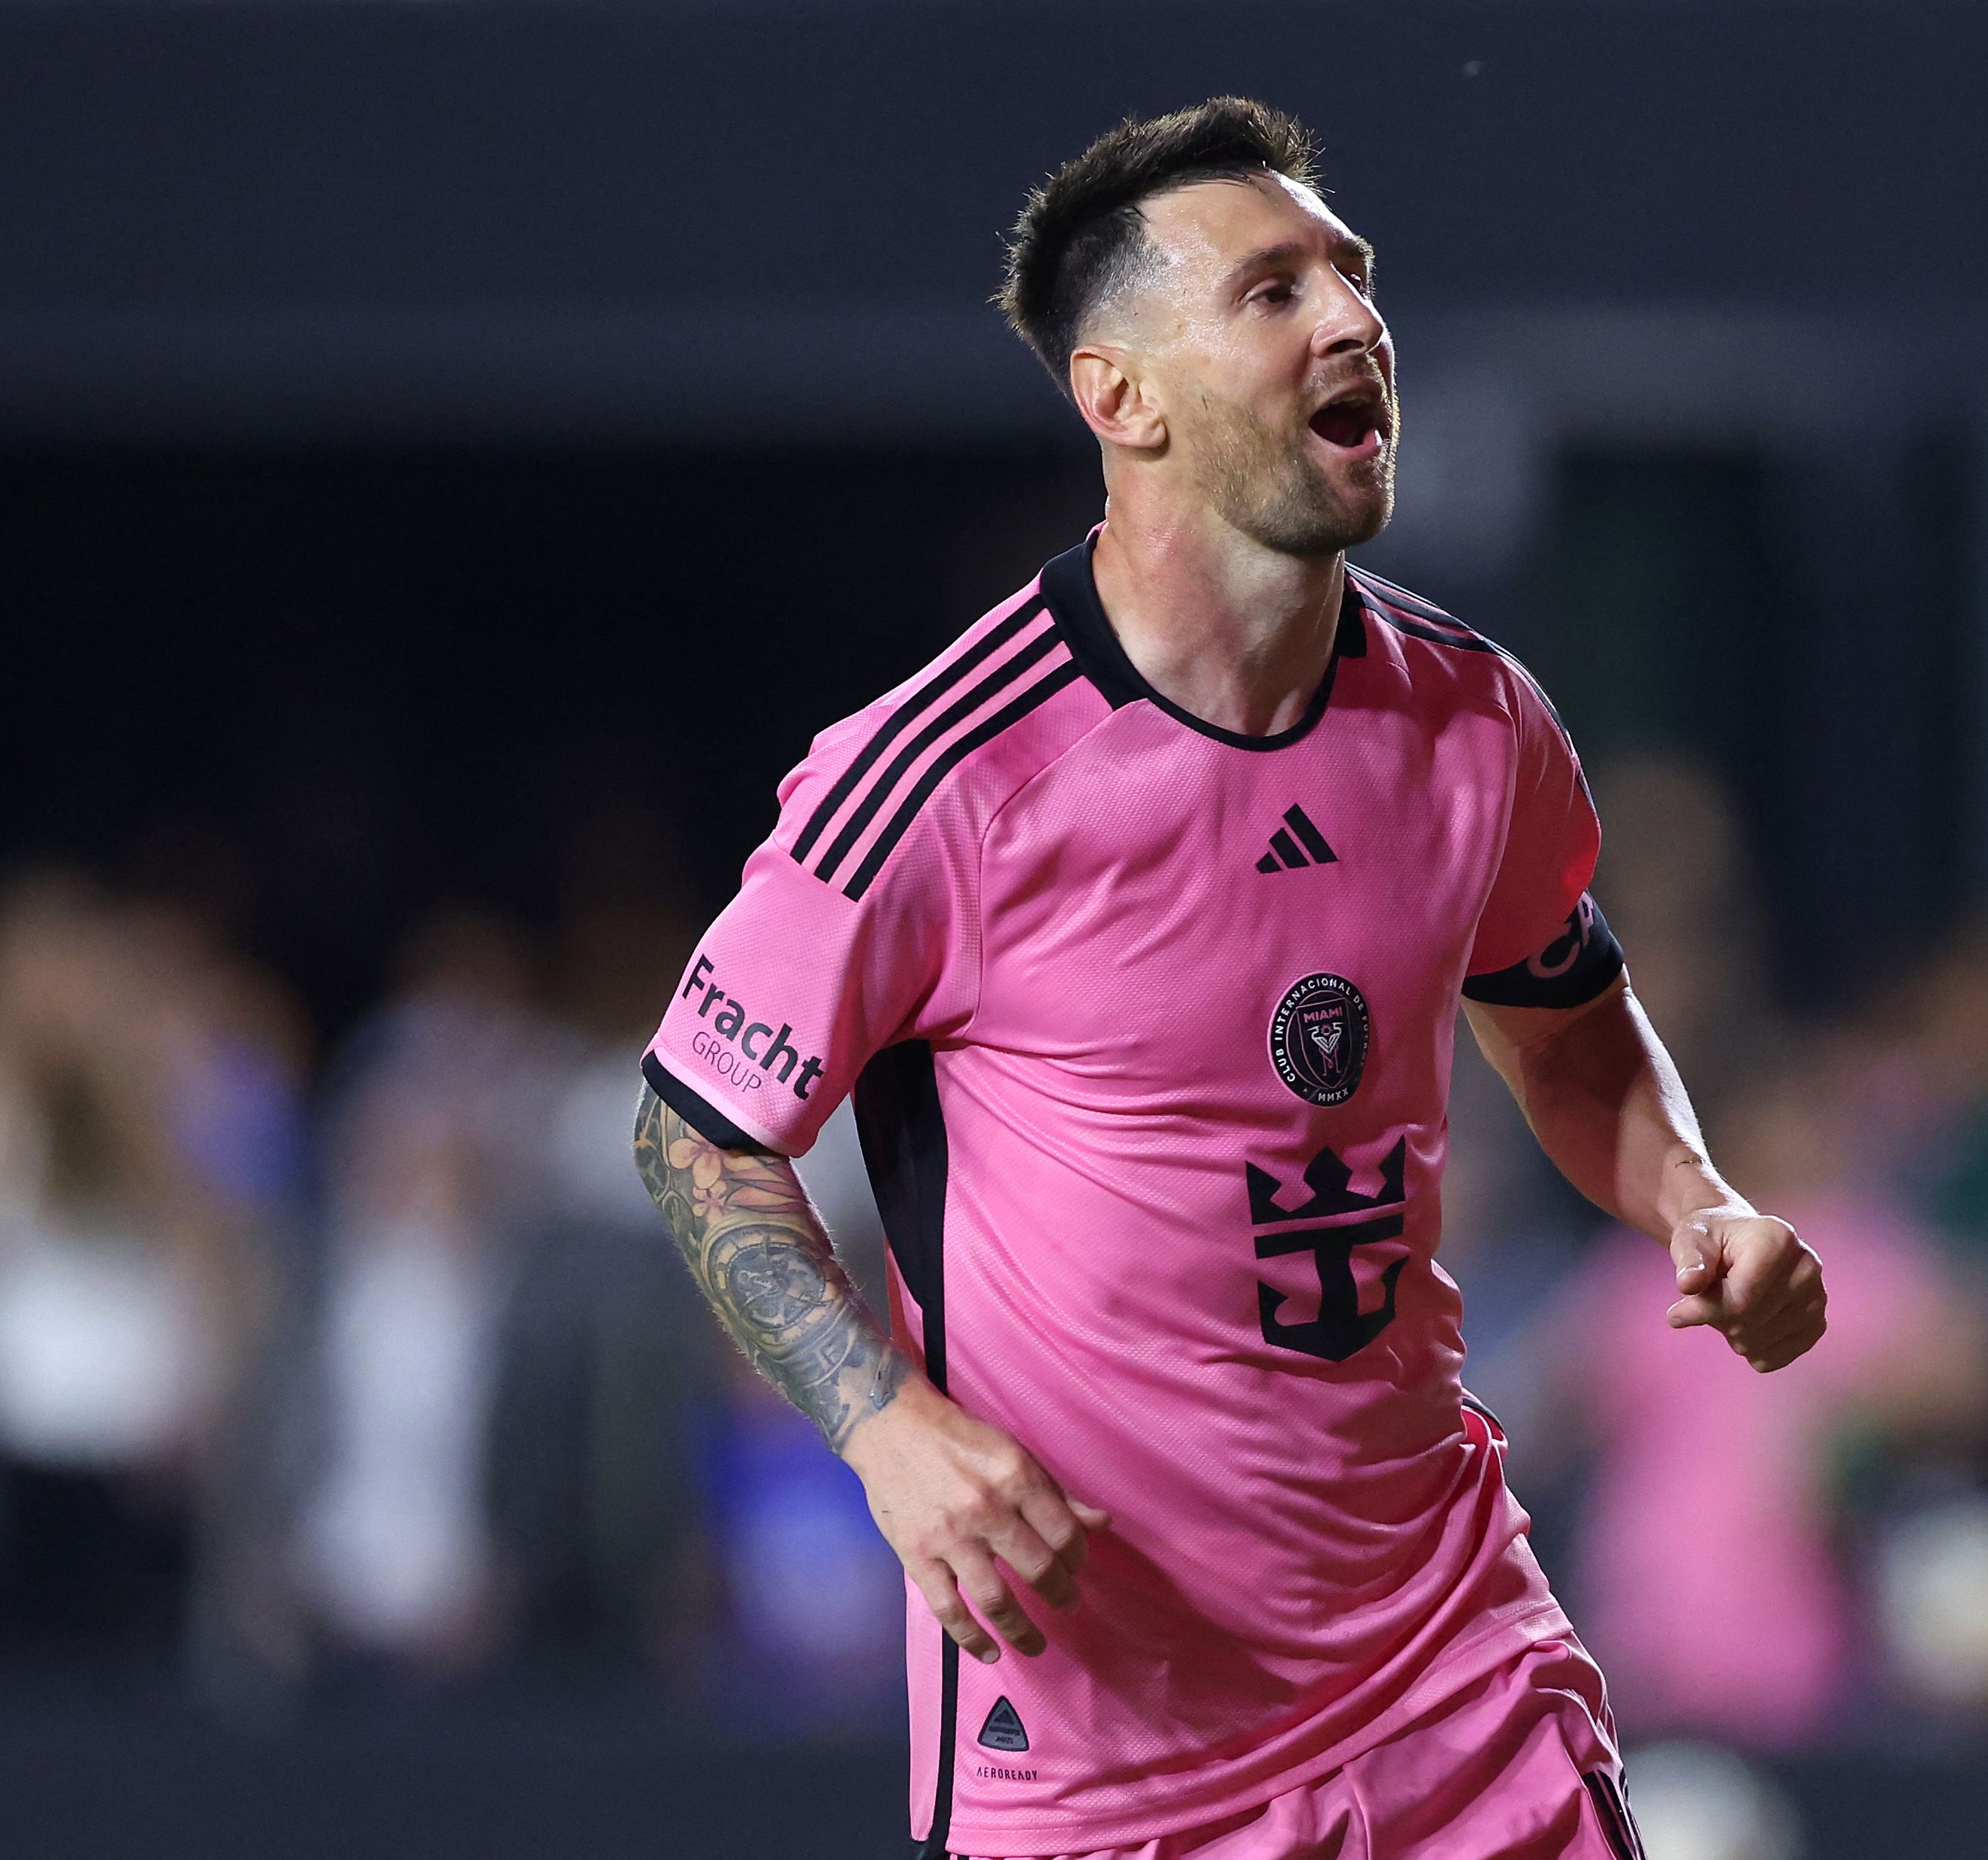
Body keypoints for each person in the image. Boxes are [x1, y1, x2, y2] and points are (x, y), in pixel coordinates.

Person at [631, 98, 1826, 1860]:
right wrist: (883, 1426)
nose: (1353, 319)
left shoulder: (1476, 722)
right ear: (1124, 397)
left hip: (1448, 1672)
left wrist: (1693, 1192)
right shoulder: (945, 778)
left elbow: (1564, 1021)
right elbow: (692, 1134)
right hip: (1112, 1738)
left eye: (1352, 275)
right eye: (1272, 290)